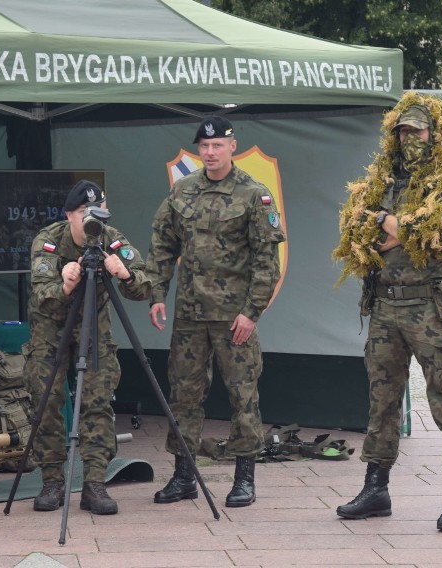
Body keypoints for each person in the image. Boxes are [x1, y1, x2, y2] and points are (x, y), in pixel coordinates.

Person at [332, 92, 442, 532]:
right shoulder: (384, 182)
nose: (408, 139)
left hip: (431, 306)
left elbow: (426, 234)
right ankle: (376, 488)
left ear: (435, 133)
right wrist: (394, 224)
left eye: (416, 131)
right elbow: (359, 236)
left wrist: (383, 220)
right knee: (381, 401)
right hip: (385, 306)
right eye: (402, 131)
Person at [145, 116, 285, 508]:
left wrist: (251, 312)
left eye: (217, 146)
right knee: (184, 395)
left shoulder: (253, 195)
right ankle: (183, 475)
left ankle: (244, 478)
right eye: (203, 147)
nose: (209, 152)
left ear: (232, 147)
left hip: (233, 318)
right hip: (189, 316)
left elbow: (265, 261)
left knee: (243, 395)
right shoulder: (182, 192)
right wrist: (157, 293)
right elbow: (161, 246)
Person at [24, 179, 150, 515]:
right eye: (84, 212)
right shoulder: (48, 241)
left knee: (97, 403)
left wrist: (125, 275)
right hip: (51, 328)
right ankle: (52, 480)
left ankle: (95, 483)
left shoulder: (111, 239)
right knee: (47, 401)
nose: (93, 219)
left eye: (98, 211)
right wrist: (64, 284)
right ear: (69, 215)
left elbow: (144, 285)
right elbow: (40, 295)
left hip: (94, 328)